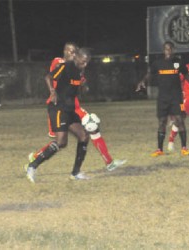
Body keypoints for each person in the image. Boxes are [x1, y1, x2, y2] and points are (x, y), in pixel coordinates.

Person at [40, 42, 126, 171]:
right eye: (69, 51)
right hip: (60, 105)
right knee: (60, 141)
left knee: (93, 129)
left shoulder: (78, 67)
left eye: (74, 51)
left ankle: (109, 162)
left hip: (74, 106)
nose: (72, 53)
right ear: (64, 51)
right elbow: (54, 75)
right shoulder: (59, 62)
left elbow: (80, 87)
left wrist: (82, 83)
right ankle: (35, 158)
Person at [24, 48, 92, 183]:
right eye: (83, 62)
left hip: (70, 108)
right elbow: (48, 77)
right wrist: (52, 91)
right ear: (76, 57)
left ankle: (76, 173)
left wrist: (83, 87)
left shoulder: (80, 70)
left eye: (87, 63)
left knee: (84, 136)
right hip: (58, 107)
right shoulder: (66, 66)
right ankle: (32, 166)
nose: (85, 65)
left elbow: (77, 89)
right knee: (61, 142)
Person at [136, 41, 189, 157]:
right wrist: (142, 81)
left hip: (176, 97)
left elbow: (187, 75)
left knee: (180, 120)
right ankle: (159, 149)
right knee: (162, 122)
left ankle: (184, 148)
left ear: (173, 50)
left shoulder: (178, 63)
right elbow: (149, 73)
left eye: (170, 49)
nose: (168, 51)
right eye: (166, 49)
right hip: (163, 98)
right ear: (163, 50)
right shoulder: (158, 63)